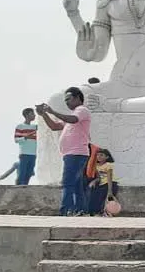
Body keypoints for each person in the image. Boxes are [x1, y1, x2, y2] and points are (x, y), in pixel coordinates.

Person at [35, 87, 91, 216]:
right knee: (76, 184)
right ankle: (80, 210)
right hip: (71, 154)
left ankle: (66, 210)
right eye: (65, 100)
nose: (67, 102)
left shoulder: (81, 111)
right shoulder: (71, 116)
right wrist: (44, 114)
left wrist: (52, 111)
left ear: (77, 98)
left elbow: (73, 120)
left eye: (68, 99)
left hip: (76, 153)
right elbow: (54, 127)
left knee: (67, 182)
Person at [86, 149, 120, 215]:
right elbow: (99, 177)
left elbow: (109, 178)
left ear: (107, 157)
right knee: (94, 196)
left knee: (106, 199)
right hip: (102, 184)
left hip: (110, 184)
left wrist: (110, 191)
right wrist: (94, 181)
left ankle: (107, 212)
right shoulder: (97, 166)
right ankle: (94, 212)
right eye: (98, 155)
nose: (99, 157)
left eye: (101, 155)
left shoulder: (108, 165)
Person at [14, 107, 39, 185]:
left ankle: (24, 188)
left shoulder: (35, 127)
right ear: (27, 115)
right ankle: (18, 189)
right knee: (22, 173)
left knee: (29, 173)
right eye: (32, 114)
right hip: (24, 153)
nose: (34, 115)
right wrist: (26, 137)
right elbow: (16, 140)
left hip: (33, 154)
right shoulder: (20, 126)